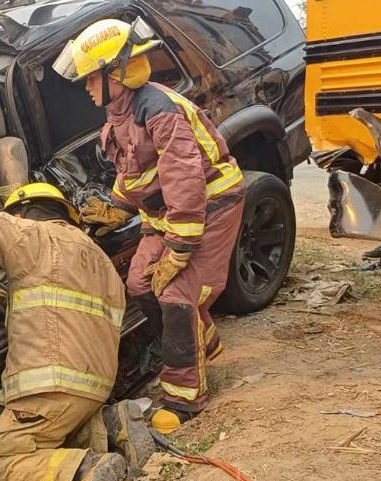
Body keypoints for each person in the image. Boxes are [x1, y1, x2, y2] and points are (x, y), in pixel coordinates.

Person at [53, 19, 245, 432]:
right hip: (165, 214)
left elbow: (184, 180)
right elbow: (135, 169)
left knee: (177, 294)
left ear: (116, 73)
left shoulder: (159, 111)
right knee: (140, 283)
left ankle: (184, 398)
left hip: (210, 205)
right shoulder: (120, 111)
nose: (86, 88)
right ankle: (202, 343)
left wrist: (179, 248)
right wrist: (117, 207)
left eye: (91, 78)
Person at [0, 183, 155, 481]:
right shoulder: (100, 259)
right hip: (95, 387)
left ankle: (84, 468)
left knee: (0, 466)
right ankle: (111, 422)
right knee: (55, 433)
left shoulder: (29, 234)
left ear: (21, 212)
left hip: (48, 385)